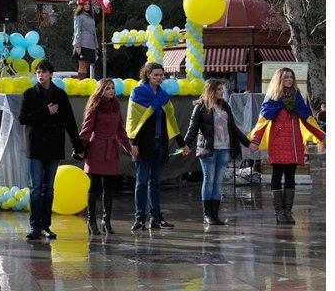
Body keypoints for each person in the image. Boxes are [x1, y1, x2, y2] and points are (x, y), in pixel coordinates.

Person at [248, 67, 325, 225]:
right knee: (277, 174)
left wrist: (322, 136)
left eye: (291, 77)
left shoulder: (297, 96)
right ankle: (279, 212)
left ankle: (288, 212)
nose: (289, 80)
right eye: (286, 77)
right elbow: (262, 122)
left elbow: (307, 119)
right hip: (278, 141)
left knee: (290, 176)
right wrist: (255, 141)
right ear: (279, 80)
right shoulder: (273, 98)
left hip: (294, 141)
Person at [19, 59, 85, 240]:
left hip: (54, 146)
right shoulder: (29, 94)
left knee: (48, 188)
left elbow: (70, 122)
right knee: (35, 188)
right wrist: (44, 111)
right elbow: (23, 118)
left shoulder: (60, 95)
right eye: (38, 72)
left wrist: (78, 147)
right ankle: (34, 226)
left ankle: (46, 225)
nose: (40, 75)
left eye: (44, 72)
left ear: (50, 74)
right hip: (36, 147)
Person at [125, 62, 188, 231]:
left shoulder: (163, 95)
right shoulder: (138, 93)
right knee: (141, 182)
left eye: (161, 75)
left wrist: (182, 144)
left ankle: (156, 218)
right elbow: (132, 121)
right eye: (156, 75)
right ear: (147, 75)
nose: (159, 78)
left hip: (160, 143)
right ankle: (139, 219)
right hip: (143, 144)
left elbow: (172, 121)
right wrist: (133, 144)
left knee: (155, 182)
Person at [184, 79, 251, 225]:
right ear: (211, 90)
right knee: (209, 180)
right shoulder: (201, 107)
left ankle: (215, 214)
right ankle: (207, 214)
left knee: (218, 182)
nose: (222, 92)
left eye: (222, 89)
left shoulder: (225, 106)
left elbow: (234, 128)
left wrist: (248, 143)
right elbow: (193, 128)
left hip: (224, 148)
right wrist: (185, 144)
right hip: (208, 149)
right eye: (219, 89)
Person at [79, 78, 131, 235]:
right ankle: (91, 221)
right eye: (107, 88)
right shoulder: (94, 106)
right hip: (96, 149)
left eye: (112, 88)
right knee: (94, 187)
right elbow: (87, 129)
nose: (111, 90)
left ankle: (106, 221)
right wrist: (81, 147)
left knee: (109, 187)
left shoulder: (116, 106)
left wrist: (128, 147)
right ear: (100, 90)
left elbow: (120, 129)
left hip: (111, 150)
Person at [72, 0, 98, 80]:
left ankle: (83, 84)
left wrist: (96, 46)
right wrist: (77, 45)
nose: (87, 6)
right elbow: (77, 31)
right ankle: (80, 84)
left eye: (88, 4)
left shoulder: (90, 16)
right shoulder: (78, 16)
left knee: (86, 66)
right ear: (81, 5)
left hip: (91, 44)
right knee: (82, 66)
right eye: (85, 4)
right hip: (83, 44)